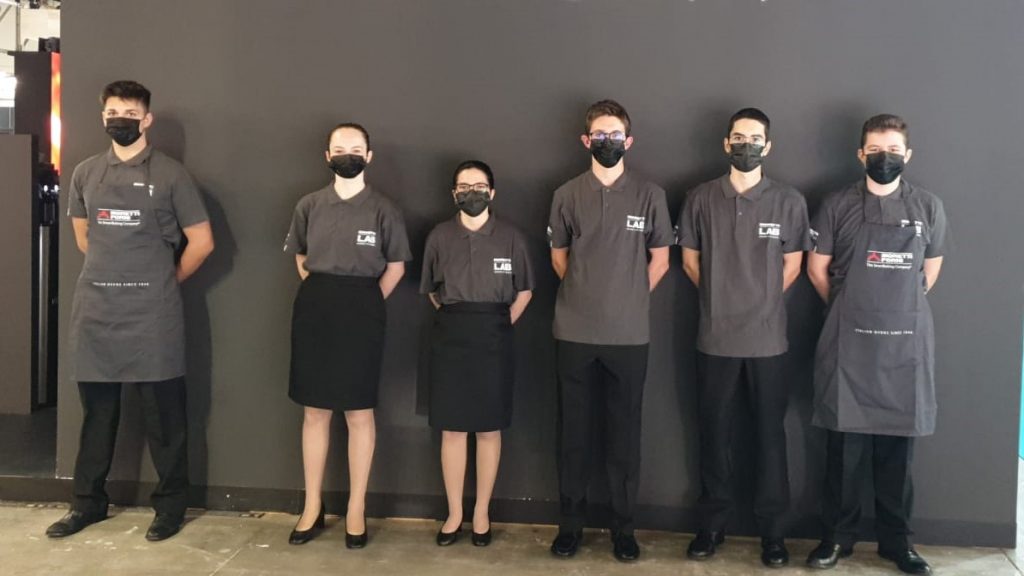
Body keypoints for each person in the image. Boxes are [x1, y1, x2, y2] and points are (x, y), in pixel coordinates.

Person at [47, 80, 215, 542]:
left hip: (153, 313)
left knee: (165, 418)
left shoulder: (171, 175)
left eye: (129, 113)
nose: (119, 119)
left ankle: (170, 507)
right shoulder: (85, 173)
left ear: (147, 119)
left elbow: (202, 242)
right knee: (97, 415)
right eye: (112, 112)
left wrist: (163, 280)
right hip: (97, 310)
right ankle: (87, 503)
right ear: (103, 116)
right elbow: (84, 237)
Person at [805, 114, 947, 575]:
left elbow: (930, 272)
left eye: (893, 150)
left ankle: (897, 543)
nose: (884, 157)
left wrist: (895, 311)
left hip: (904, 349)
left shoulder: (928, 206)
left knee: (897, 457)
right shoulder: (837, 205)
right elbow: (816, 269)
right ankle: (836, 539)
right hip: (850, 345)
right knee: (842, 454)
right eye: (875, 150)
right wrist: (850, 310)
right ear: (860, 154)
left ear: (907, 155)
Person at [678, 107, 810, 567]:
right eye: (739, 138)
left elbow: (794, 265)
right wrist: (723, 300)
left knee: (769, 436)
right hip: (715, 337)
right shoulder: (700, 198)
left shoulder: (789, 201)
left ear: (767, 147)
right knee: (714, 433)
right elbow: (690, 261)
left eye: (755, 139)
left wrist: (759, 302)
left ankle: (773, 533)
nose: (746, 145)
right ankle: (711, 526)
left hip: (768, 341)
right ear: (726, 144)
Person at [547, 99, 673, 562]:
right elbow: (559, 257)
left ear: (628, 141)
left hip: (629, 335)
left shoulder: (650, 194)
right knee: (573, 435)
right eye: (599, 135)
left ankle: (624, 529)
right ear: (586, 141)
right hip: (574, 331)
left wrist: (628, 295)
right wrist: (587, 292)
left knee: (624, 436)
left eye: (615, 135)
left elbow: (661, 259)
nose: (607, 142)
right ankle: (570, 527)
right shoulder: (566, 194)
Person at [283, 123, 411, 549]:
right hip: (315, 308)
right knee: (315, 411)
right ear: (327, 156)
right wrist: (326, 293)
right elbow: (301, 256)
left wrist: (364, 300)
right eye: (339, 148)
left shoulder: (384, 209)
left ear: (369, 156)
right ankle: (312, 505)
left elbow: (396, 266)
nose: (348, 154)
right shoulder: (309, 205)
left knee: (359, 412)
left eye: (356, 148)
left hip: (363, 310)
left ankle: (356, 507)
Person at [420, 160, 534, 547]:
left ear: (492, 192)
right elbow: (432, 291)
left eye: (480, 186)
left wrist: (497, 324)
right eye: (464, 187)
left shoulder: (512, 237)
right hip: (451, 336)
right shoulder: (439, 236)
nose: (472, 193)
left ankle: (482, 512)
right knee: (452, 429)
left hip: (495, 337)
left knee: (488, 429)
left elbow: (524, 292)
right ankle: (454, 513)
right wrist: (460, 319)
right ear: (454, 194)